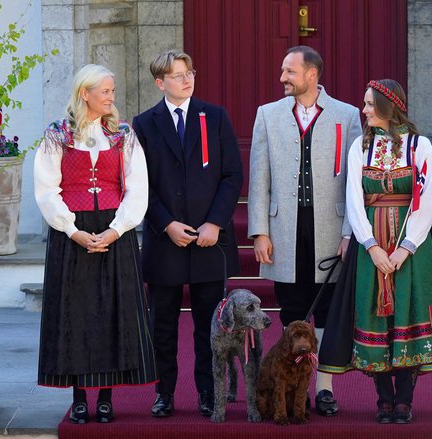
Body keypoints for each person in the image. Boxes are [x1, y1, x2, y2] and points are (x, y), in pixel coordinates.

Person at [317, 79, 432, 424]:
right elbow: (354, 200)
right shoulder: (359, 148)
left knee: (407, 314)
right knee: (374, 314)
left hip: (413, 247)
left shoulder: (418, 146)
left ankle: (405, 401)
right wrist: (371, 247)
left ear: (387, 106)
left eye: (369, 104)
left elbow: (426, 200)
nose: (363, 110)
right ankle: (383, 399)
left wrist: (404, 249)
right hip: (372, 246)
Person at [34, 64, 157, 424]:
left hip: (113, 231)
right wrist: (71, 230)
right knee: (75, 314)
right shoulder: (57, 135)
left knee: (112, 312)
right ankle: (79, 398)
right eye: (105, 91)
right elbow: (46, 189)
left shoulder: (122, 135)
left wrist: (117, 230)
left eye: (112, 90)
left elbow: (138, 188)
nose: (111, 97)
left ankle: (105, 397)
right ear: (84, 93)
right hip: (71, 234)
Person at [247, 45, 362, 416]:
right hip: (284, 228)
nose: (282, 78)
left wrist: (349, 232)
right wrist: (259, 231)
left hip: (331, 226)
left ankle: (324, 388)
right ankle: (288, 386)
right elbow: (258, 178)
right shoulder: (268, 115)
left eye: (289, 72)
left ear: (311, 74)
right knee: (292, 308)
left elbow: (355, 183)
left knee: (327, 311)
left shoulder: (347, 115)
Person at [132, 50, 243, 418]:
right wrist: (165, 223)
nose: (186, 79)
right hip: (165, 241)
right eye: (177, 75)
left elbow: (231, 175)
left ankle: (208, 393)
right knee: (161, 325)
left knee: (207, 327)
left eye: (189, 72)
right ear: (160, 83)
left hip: (209, 240)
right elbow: (139, 184)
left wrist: (215, 222)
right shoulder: (144, 124)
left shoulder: (215, 116)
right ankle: (164, 393)